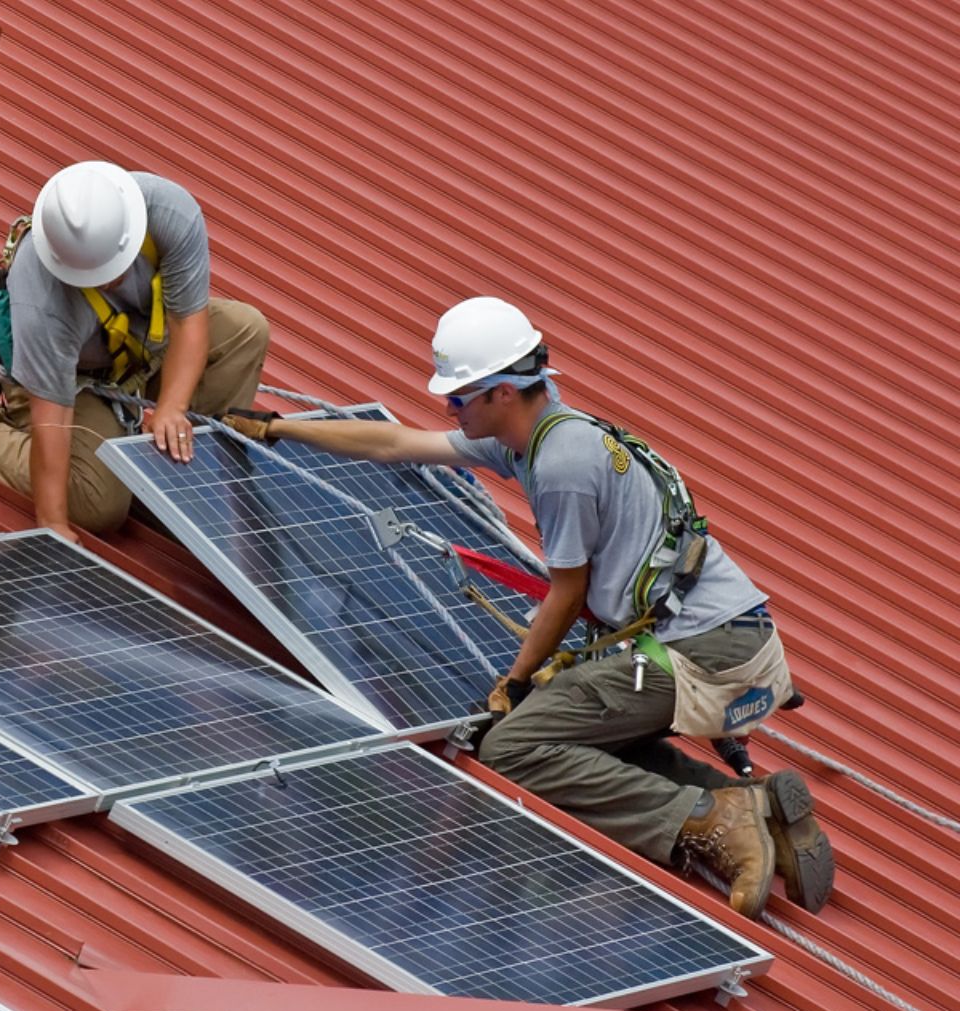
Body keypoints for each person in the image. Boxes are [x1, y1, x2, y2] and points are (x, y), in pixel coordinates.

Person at [220, 297, 834, 918]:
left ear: (503, 394)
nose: (449, 409)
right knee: (573, 733)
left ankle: (710, 821)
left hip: (704, 651)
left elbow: (567, 593)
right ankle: (755, 805)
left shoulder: (562, 465)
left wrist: (512, 683)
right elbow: (396, 442)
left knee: (513, 746)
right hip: (732, 639)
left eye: (460, 397)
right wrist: (278, 428)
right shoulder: (541, 439)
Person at [0, 161, 268, 539]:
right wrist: (53, 521)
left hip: (141, 348)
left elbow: (187, 323)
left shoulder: (168, 212)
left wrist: (172, 408)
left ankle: (169, 477)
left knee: (245, 331)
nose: (107, 281)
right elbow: (52, 419)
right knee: (96, 505)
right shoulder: (41, 296)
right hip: (73, 381)